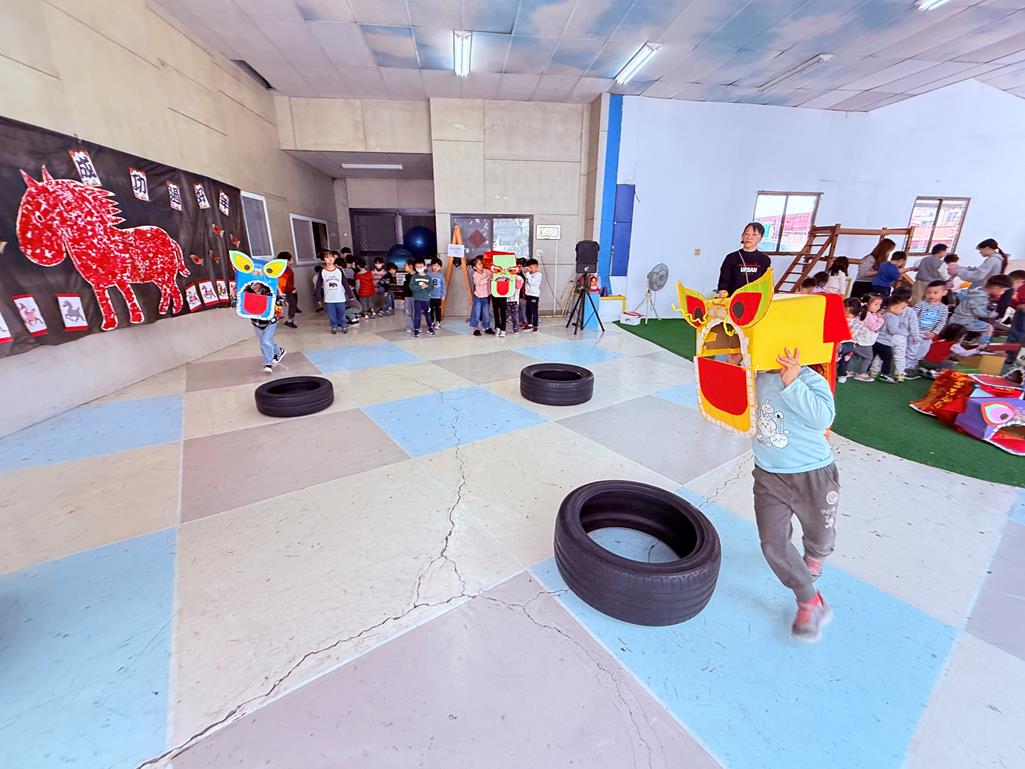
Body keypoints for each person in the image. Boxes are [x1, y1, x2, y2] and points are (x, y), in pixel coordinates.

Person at [748, 346, 839, 643]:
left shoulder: (810, 379)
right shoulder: (754, 377)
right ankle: (809, 600)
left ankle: (816, 554)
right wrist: (733, 367)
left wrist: (793, 381)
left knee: (820, 534)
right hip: (768, 475)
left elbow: (822, 418)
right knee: (772, 542)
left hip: (814, 474)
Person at [950, 274, 1012, 346]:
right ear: (996, 288)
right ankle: (981, 345)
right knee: (989, 328)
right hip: (965, 320)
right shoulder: (981, 297)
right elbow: (979, 312)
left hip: (957, 317)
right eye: (1003, 290)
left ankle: (969, 342)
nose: (1003, 293)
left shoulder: (976, 290)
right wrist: (990, 314)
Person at [870, 295, 918, 383]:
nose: (902, 311)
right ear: (893, 308)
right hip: (885, 343)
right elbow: (893, 330)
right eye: (902, 308)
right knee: (888, 359)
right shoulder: (893, 317)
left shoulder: (884, 314)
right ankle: (886, 374)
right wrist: (903, 333)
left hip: (877, 341)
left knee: (876, 357)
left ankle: (872, 372)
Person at [717, 222, 771, 296]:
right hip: (734, 298)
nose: (749, 237)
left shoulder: (765, 259)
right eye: (746, 234)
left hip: (755, 298)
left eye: (754, 234)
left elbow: (766, 282)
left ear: (760, 238)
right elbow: (724, 280)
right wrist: (722, 291)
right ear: (742, 236)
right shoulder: (731, 257)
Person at [908, 281, 951, 370]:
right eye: (928, 292)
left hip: (928, 334)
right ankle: (906, 368)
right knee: (911, 351)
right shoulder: (921, 304)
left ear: (944, 292)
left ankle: (912, 367)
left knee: (922, 352)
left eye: (935, 293)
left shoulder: (944, 308)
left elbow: (941, 322)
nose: (931, 295)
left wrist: (934, 333)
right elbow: (911, 316)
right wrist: (912, 330)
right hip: (916, 332)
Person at [247, 283, 286, 373]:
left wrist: (278, 290)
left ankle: (268, 363)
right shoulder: (247, 291)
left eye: (256, 284)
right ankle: (279, 351)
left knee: (265, 341)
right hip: (256, 322)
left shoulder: (269, 291)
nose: (253, 286)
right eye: (252, 284)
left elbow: (280, 300)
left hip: (270, 322)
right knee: (266, 341)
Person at [851, 294, 885, 381]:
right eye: (876, 304)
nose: (878, 307)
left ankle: (849, 371)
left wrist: (877, 316)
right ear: (866, 304)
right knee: (868, 357)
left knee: (855, 356)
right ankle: (861, 373)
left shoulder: (868, 313)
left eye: (879, 304)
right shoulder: (867, 314)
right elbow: (874, 327)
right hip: (863, 341)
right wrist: (881, 319)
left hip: (861, 340)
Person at [317, 252, 348, 334]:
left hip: (340, 296)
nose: (330, 259)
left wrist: (350, 294)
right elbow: (318, 285)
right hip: (329, 297)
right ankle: (334, 326)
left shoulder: (339, 271)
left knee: (341, 312)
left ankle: (343, 325)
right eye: (327, 257)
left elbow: (345, 283)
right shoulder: (322, 272)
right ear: (324, 260)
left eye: (331, 257)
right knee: (331, 313)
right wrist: (318, 296)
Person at [407, 258, 435, 337]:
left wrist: (426, 286)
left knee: (427, 314)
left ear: (424, 266)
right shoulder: (414, 277)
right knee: (417, 314)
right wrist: (419, 287)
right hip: (417, 299)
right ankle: (416, 329)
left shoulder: (428, 277)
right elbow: (411, 287)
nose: (419, 268)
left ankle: (430, 327)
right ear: (415, 267)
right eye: (417, 267)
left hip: (426, 299)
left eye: (421, 266)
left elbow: (431, 288)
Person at [836, 298, 861, 383]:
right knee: (844, 362)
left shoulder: (841, 319)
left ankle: (830, 375)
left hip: (841, 344)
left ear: (848, 308)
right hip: (851, 345)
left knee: (833, 360)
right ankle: (842, 376)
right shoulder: (858, 321)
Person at [470, 257, 492, 336]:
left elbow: (492, 274)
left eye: (481, 263)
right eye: (479, 264)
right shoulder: (475, 274)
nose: (481, 265)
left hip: (486, 296)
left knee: (486, 313)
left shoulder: (486, 271)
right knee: (476, 312)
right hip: (478, 296)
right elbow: (479, 283)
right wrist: (488, 278)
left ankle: (487, 327)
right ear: (474, 267)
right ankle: (475, 329)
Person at [524, 259, 542, 332]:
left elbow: (531, 282)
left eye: (531, 267)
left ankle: (535, 325)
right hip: (528, 295)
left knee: (534, 311)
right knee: (527, 311)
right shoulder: (528, 274)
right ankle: (529, 324)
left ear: (536, 267)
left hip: (534, 295)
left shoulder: (538, 275)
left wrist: (527, 273)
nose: (530, 269)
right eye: (529, 267)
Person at [506, 269, 525, 334]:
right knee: (504, 315)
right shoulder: (506, 277)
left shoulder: (519, 278)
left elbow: (518, 286)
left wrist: (512, 280)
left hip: (514, 300)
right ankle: (501, 328)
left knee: (515, 316)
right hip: (506, 299)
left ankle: (516, 329)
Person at [429, 258, 446, 325]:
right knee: (430, 309)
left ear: (440, 267)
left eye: (438, 266)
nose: (436, 267)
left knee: (438, 309)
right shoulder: (428, 274)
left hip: (438, 296)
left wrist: (443, 294)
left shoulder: (441, 276)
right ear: (431, 266)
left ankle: (438, 322)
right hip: (430, 296)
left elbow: (443, 285)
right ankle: (432, 321)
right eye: (434, 265)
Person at [401, 259, 415, 334]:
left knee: (416, 312)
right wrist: (403, 297)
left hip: (416, 297)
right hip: (407, 297)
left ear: (411, 266)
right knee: (408, 312)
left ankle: (417, 326)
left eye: (405, 265)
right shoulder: (406, 276)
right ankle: (409, 327)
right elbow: (404, 288)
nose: (404, 267)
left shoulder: (418, 276)